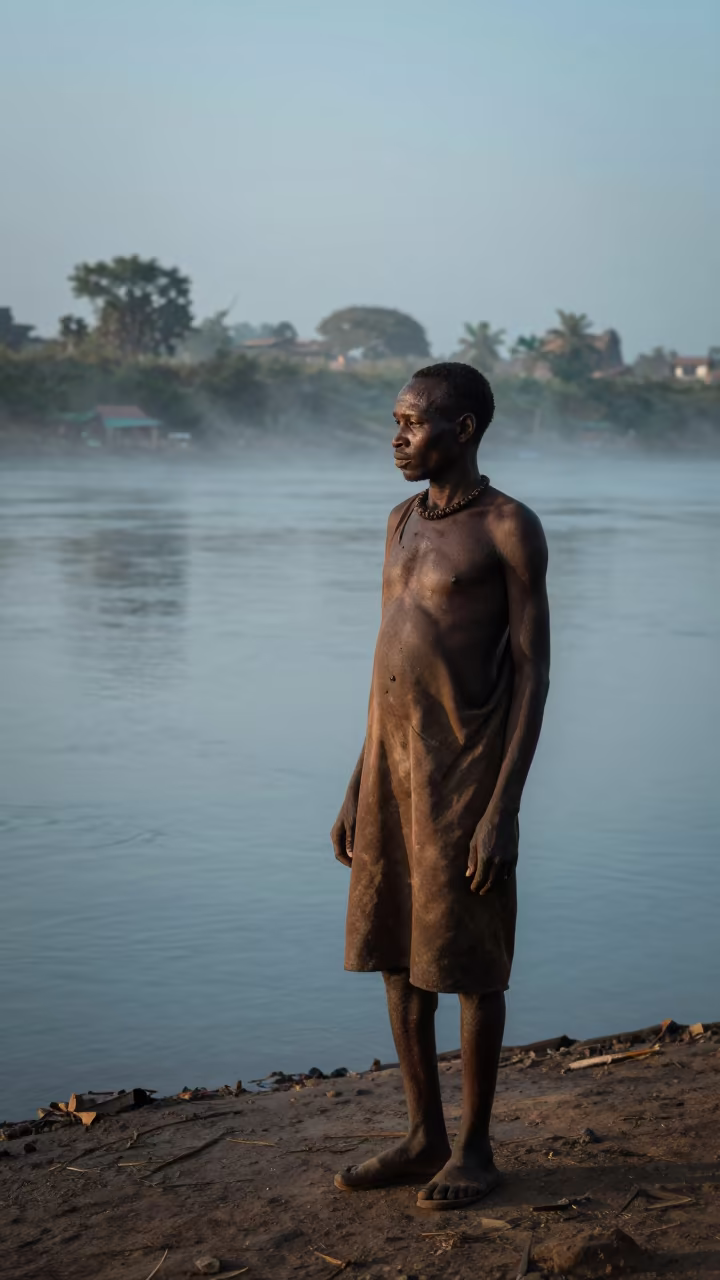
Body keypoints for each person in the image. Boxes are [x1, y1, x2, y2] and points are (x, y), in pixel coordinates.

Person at [330, 362, 550, 1211]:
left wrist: (505, 806)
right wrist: (359, 779)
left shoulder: (508, 528)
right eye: (395, 419)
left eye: (414, 423)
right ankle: (422, 1135)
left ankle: (476, 1147)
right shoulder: (397, 522)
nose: (397, 437)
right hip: (394, 768)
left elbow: (532, 674)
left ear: (463, 430)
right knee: (398, 953)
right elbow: (387, 662)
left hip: (468, 769)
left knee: (471, 964)